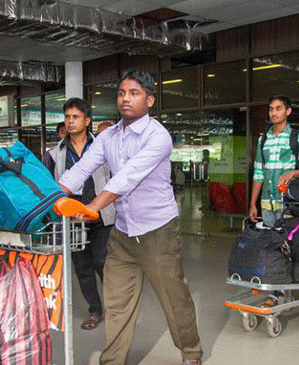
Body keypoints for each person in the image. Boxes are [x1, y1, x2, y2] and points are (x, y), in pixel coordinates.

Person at [58, 71, 202, 365]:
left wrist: (94, 206)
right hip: (123, 233)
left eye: (134, 93)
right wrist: (51, 194)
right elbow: (82, 168)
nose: (125, 97)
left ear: (149, 100)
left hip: (157, 231)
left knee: (175, 299)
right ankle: (112, 361)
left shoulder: (158, 136)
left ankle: (191, 353)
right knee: (116, 302)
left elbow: (127, 178)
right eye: (122, 92)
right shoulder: (108, 136)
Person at [43, 98, 115, 331]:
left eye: (75, 117)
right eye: (67, 117)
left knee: (103, 261)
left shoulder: (103, 148)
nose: (70, 121)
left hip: (101, 215)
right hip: (72, 220)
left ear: (87, 120)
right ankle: (95, 310)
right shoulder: (55, 154)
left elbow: (117, 178)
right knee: (82, 267)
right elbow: (48, 186)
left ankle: (115, 309)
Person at [249, 95, 299, 228]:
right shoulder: (263, 140)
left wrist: (292, 173)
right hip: (266, 202)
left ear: (288, 111)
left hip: (288, 202)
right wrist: (252, 204)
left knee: (288, 243)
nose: (274, 113)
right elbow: (258, 174)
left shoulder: (297, 137)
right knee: (270, 243)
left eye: (278, 109)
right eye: (271, 109)